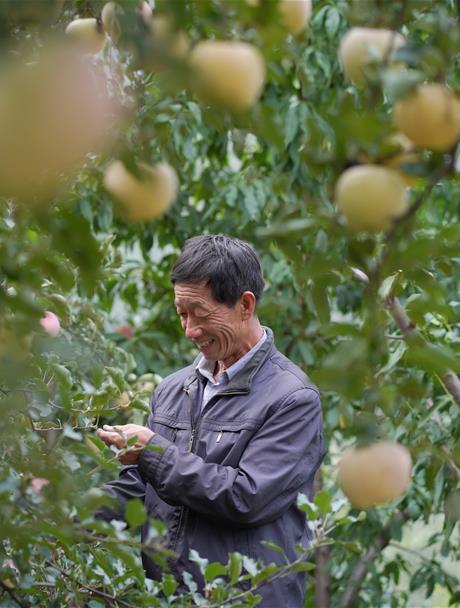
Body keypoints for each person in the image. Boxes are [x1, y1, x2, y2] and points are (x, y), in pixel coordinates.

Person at [95, 234, 324, 606]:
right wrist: (63, 513)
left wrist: (152, 451)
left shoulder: (292, 399)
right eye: (182, 314)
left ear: (245, 305)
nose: (190, 331)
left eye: (200, 315)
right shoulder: (171, 391)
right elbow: (140, 488)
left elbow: (245, 498)